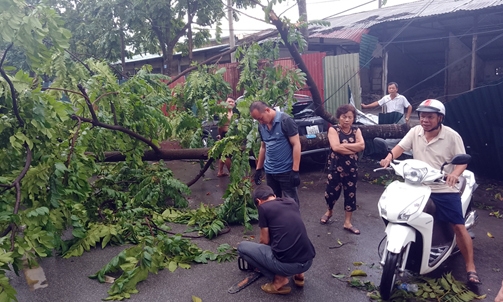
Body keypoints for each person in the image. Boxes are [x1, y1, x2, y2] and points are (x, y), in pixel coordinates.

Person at [379, 99, 481, 285]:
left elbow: (462, 161)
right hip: (417, 185)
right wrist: (389, 157)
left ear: (440, 118)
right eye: (423, 116)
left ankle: (470, 267)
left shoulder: (451, 136)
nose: (425, 120)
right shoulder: (415, 131)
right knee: (400, 213)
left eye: (430, 117)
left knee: (458, 226)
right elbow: (401, 147)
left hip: (443, 188)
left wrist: (455, 175)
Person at [237, 185, 316, 295]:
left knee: (242, 248)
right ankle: (299, 276)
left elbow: (264, 241)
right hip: (308, 261)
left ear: (258, 201)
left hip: (288, 266)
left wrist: (260, 256)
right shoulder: (291, 202)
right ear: (273, 196)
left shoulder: (263, 208)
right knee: (293, 236)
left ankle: (279, 280)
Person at [319, 104, 365, 235]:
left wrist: (344, 145)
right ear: (339, 117)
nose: (347, 120)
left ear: (353, 118)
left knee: (350, 194)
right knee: (330, 193)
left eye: (350, 117)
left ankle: (347, 223)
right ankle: (329, 211)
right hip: (335, 168)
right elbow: (335, 147)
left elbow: (362, 146)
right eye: (344, 117)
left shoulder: (357, 130)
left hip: (351, 169)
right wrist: (352, 147)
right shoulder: (333, 130)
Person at [250, 101, 301, 204]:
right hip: (270, 172)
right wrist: (258, 169)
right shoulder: (262, 126)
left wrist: (295, 171)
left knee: (291, 203)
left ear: (267, 110)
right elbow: (263, 147)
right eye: (257, 120)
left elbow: (296, 144)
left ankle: (292, 220)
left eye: (260, 118)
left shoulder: (285, 121)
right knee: (273, 203)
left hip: (286, 171)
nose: (260, 121)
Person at [216, 97, 235, 177]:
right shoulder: (224, 114)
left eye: (232, 102)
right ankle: (232, 174)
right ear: (225, 103)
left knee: (223, 154)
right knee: (227, 155)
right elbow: (220, 126)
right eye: (229, 102)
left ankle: (220, 172)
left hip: (231, 134)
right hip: (225, 134)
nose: (231, 103)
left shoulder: (232, 112)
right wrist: (220, 135)